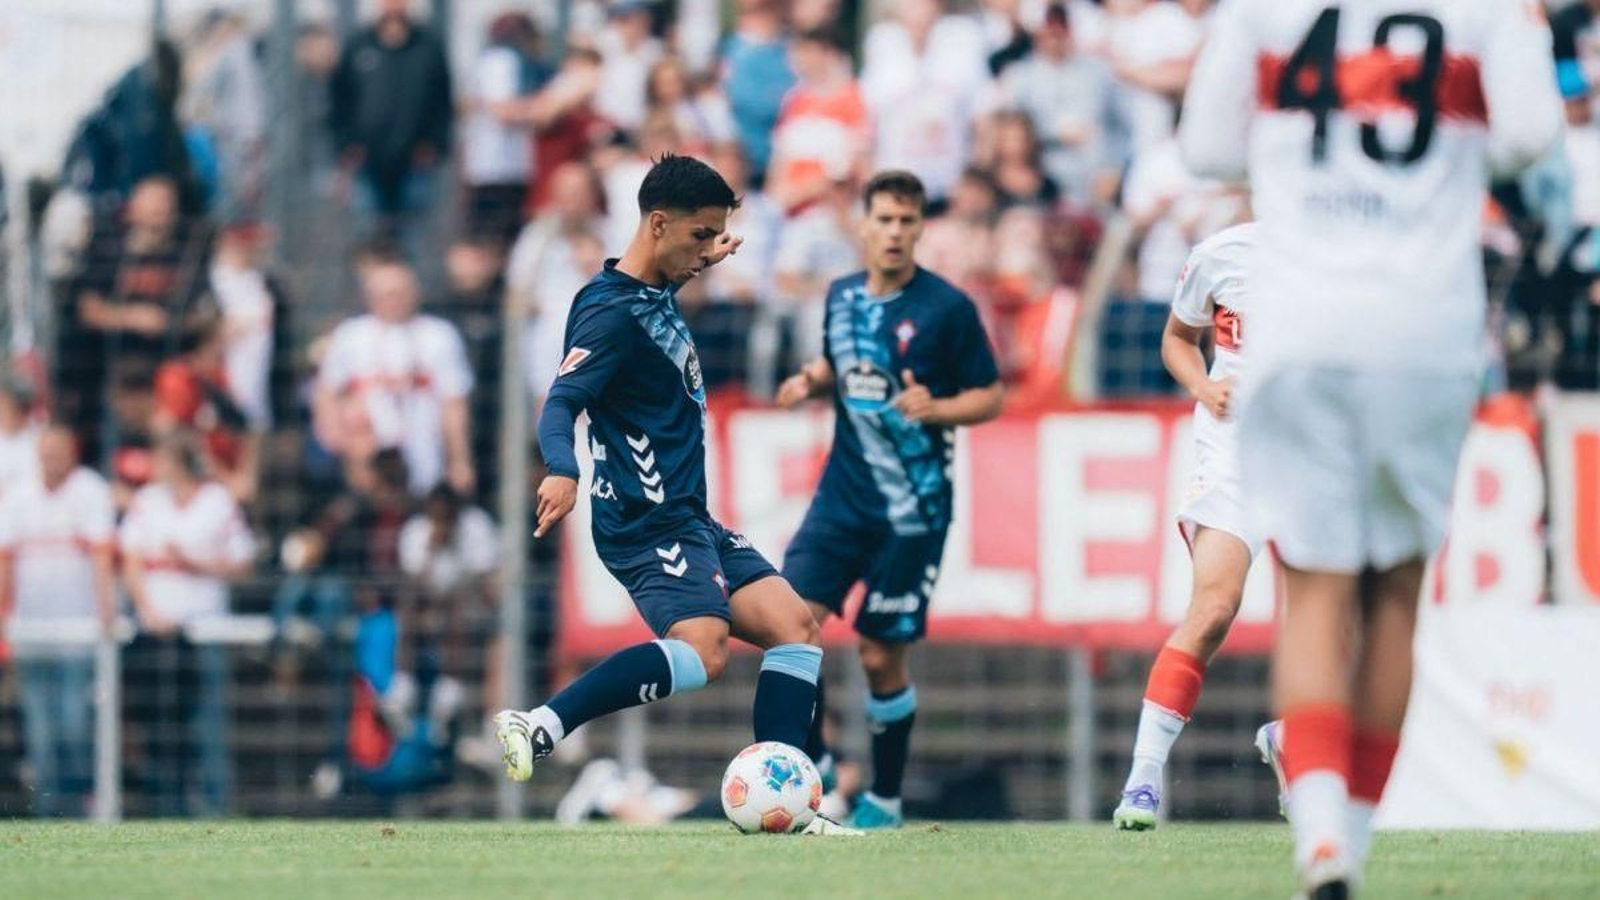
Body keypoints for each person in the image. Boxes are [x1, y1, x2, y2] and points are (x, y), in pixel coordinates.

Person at [1181, 0, 1562, 892]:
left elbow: (1205, 147)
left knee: (1313, 593)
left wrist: (1309, 145)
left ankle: (1316, 840)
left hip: (1302, 326)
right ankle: (1350, 841)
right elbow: (1531, 136)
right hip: (1426, 333)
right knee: (1395, 594)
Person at [493, 157, 833, 833]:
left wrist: (704, 255)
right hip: (643, 521)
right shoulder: (609, 314)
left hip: (686, 515)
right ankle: (540, 724)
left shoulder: (652, 289)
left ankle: (787, 806)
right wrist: (562, 468)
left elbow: (673, 271)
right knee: (705, 649)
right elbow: (560, 401)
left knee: (796, 629)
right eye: (701, 235)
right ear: (658, 223)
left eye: (718, 238)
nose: (709, 250)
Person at [774, 170, 1006, 829]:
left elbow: (990, 397)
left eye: (907, 221)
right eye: (885, 220)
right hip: (842, 498)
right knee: (786, 620)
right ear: (864, 226)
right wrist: (809, 381)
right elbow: (839, 366)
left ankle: (887, 799)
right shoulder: (842, 296)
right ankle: (819, 763)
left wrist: (939, 406)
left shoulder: (947, 309)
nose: (896, 232)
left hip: (912, 512)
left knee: (879, 656)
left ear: (919, 228)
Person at [1112, 222, 1272, 830]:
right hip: (1235, 454)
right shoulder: (1222, 254)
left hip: (1314, 454)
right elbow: (1178, 338)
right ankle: (1143, 780)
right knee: (1213, 608)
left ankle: (1300, 741)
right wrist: (1205, 386)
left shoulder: (1349, 255)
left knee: (1347, 616)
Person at [120, 432, 255, 816]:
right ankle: (165, 807)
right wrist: (146, 610)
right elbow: (130, 561)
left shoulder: (218, 501)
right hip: (157, 633)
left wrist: (196, 564)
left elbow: (242, 564)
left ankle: (215, 806)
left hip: (205, 631)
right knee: (160, 722)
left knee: (208, 720)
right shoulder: (147, 502)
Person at [0, 426, 118, 816]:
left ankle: (79, 803)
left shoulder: (91, 491)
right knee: (41, 732)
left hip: (77, 633)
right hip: (32, 632)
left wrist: (105, 610)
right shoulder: (18, 495)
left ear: (73, 453)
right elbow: (5, 560)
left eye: (59, 452)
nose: (52, 460)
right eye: (46, 452)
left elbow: (102, 556)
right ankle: (47, 812)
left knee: (74, 724)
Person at [313, 247, 475, 496]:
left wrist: (459, 460)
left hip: (423, 456)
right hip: (366, 460)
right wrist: (343, 446)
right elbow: (327, 394)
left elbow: (453, 402)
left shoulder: (439, 335)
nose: (393, 301)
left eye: (400, 293)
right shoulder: (351, 335)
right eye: (385, 295)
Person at [329, 0, 453, 245]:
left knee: (413, 237)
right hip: (367, 162)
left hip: (415, 163)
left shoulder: (428, 47)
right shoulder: (358, 46)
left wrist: (435, 145)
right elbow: (339, 101)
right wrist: (346, 146)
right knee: (367, 238)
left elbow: (443, 102)